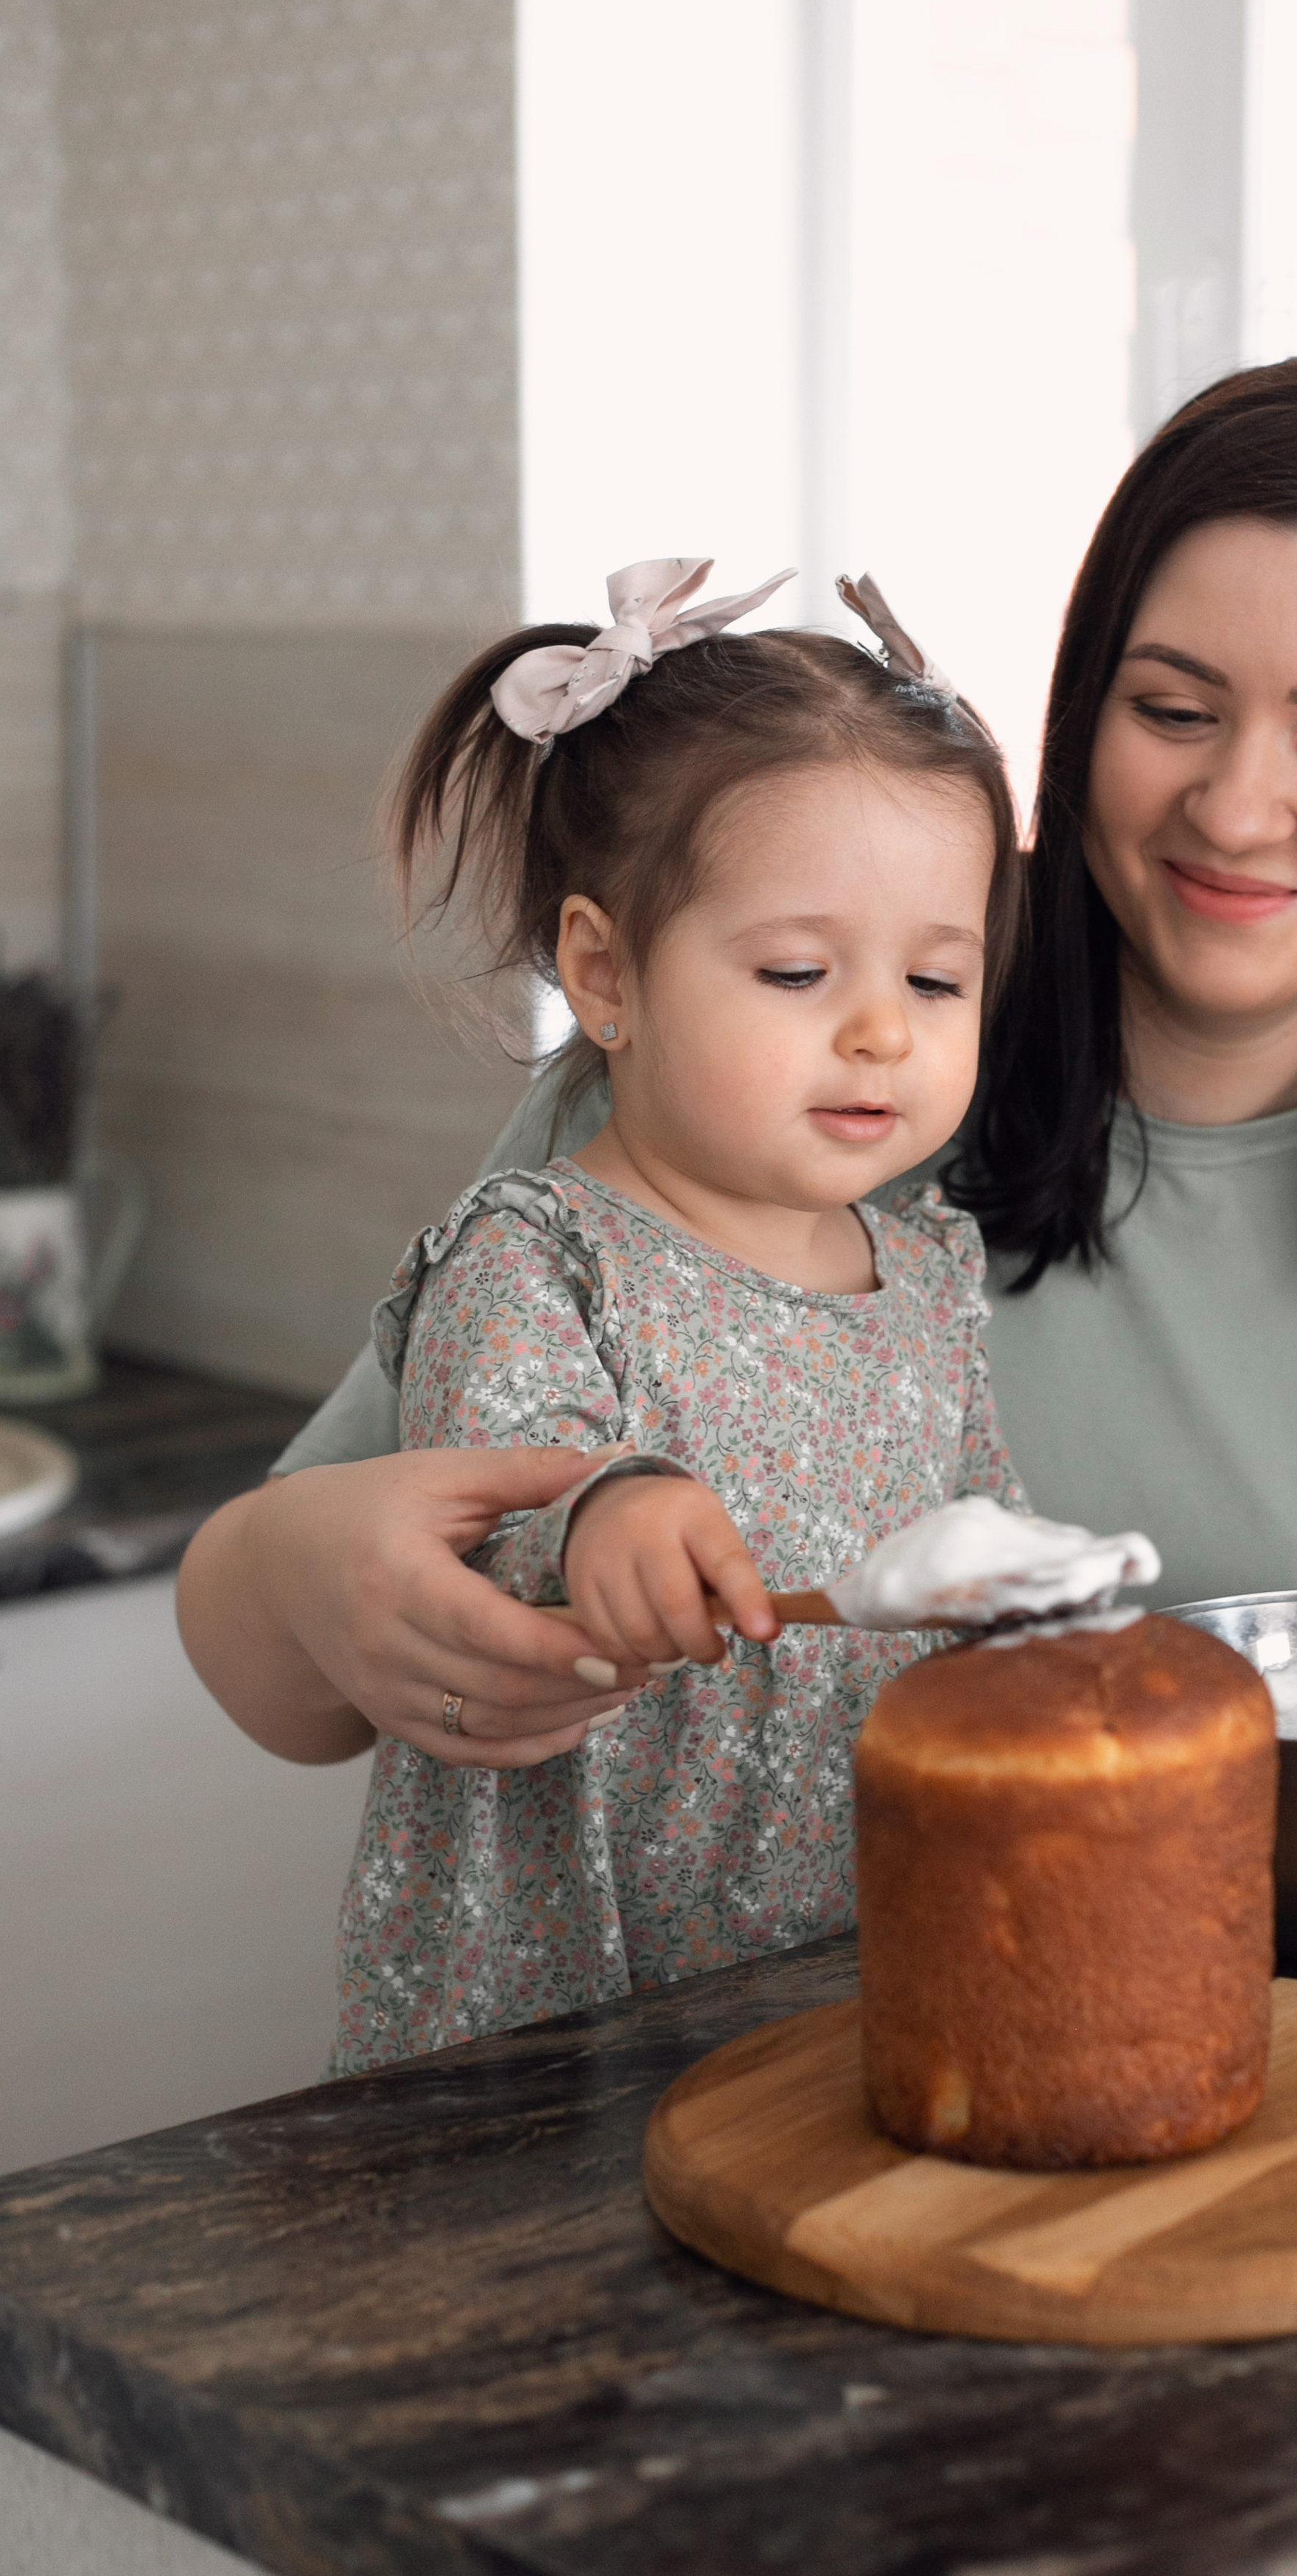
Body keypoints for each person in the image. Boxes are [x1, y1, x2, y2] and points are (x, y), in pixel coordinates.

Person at [181, 358, 1297, 1801]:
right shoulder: (764, 1073)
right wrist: (309, 1577)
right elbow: (271, 1680)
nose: (1231, 808)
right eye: (1168, 711)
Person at [292, 559, 1025, 2071]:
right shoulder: (537, 1251)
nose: (881, 1027)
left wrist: (1028, 1610)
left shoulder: (931, 1283)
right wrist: (604, 1511)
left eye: (937, 981)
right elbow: (502, 1487)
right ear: (603, 971)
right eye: (798, 970)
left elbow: (974, 1528)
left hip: (838, 1948)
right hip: (563, 1979)